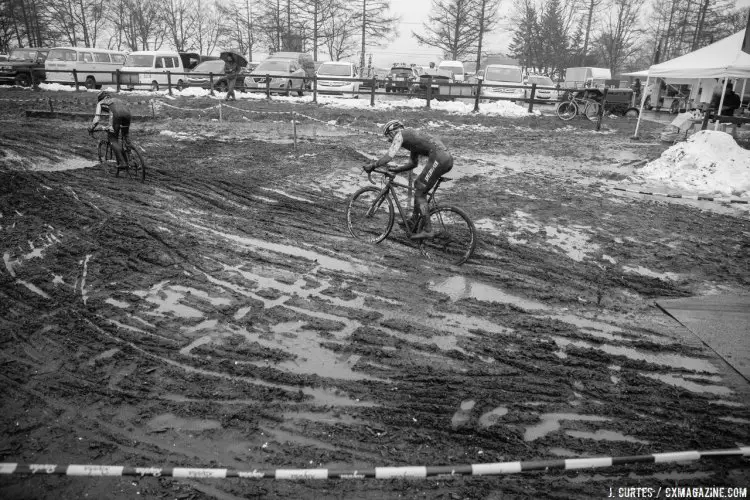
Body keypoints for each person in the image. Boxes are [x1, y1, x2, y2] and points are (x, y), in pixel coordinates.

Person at [365, 120, 453, 239]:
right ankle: (415, 220)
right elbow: (413, 164)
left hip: (439, 159)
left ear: (392, 132)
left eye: (388, 137)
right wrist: (397, 170)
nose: (389, 140)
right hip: (445, 159)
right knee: (419, 186)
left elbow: (388, 157)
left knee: (420, 191)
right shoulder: (412, 138)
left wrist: (373, 165)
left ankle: (428, 230)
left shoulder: (400, 135)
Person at [88, 90, 131, 168]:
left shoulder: (100, 103)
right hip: (128, 114)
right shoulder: (117, 100)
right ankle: (132, 160)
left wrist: (91, 128)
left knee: (113, 139)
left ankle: (122, 163)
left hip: (117, 115)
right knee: (125, 136)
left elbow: (97, 119)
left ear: (100, 98)